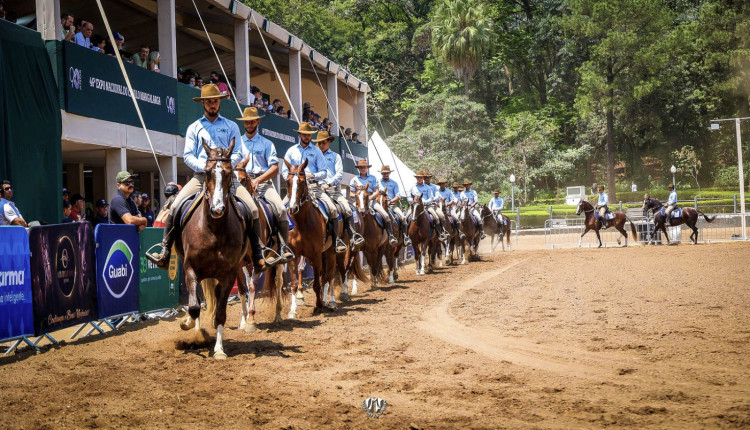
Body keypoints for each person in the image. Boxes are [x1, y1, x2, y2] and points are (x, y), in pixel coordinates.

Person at [146, 84, 267, 272]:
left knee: (252, 208)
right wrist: (205, 167)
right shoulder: (194, 127)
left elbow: (240, 152)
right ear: (203, 103)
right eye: (209, 101)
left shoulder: (231, 126)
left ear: (220, 102)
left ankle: (258, 253)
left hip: (227, 179)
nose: (212, 104)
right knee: (176, 205)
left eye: (215, 101)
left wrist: (225, 166)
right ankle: (165, 250)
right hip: (201, 177)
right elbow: (188, 155)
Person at [236, 106, 293, 263]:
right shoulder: (237, 143)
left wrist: (257, 180)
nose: (248, 124)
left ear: (258, 122)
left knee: (281, 209)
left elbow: (275, 168)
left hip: (263, 184)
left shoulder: (267, 143)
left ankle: (282, 247)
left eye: (252, 121)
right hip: (241, 183)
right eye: (246, 122)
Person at [281, 122, 347, 254]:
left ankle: (335, 241)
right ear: (299, 134)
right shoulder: (291, 151)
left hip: (314, 188)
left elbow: (324, 172)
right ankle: (280, 245)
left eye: (309, 135)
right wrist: (292, 178)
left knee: (333, 209)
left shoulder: (316, 151)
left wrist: (313, 175)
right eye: (304, 134)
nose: (306, 137)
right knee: (281, 210)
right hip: (296, 188)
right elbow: (284, 171)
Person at [314, 130, 365, 250]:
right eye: (319, 143)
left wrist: (328, 183)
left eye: (323, 142)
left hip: (333, 191)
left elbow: (339, 175)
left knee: (347, 210)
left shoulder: (335, 157)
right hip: (316, 190)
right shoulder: (313, 156)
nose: (321, 145)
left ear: (329, 142)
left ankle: (352, 236)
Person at [350, 159, 397, 246]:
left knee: (386, 215)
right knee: (349, 214)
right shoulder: (354, 179)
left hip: (371, 200)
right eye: (361, 167)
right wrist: (359, 196)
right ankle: (352, 237)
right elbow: (351, 193)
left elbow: (377, 191)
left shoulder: (373, 178)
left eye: (364, 167)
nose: (363, 169)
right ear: (358, 168)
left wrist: (369, 198)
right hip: (359, 201)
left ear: (367, 168)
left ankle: (390, 236)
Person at [378, 165, 410, 246]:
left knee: (403, 218)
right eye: (384, 173)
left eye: (387, 173)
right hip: (380, 205)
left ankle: (405, 237)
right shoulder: (378, 183)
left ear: (389, 173)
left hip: (392, 205)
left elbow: (398, 195)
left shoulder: (394, 183)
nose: (386, 174)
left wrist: (390, 201)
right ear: (381, 173)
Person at [409, 172, 444, 237]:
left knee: (436, 217)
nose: (419, 179)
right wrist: (412, 201)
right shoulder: (412, 187)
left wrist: (425, 202)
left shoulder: (428, 187)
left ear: (423, 178)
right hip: (415, 207)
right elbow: (409, 197)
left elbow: (431, 198)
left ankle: (440, 234)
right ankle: (406, 236)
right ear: (416, 178)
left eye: (421, 178)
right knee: (406, 217)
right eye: (418, 178)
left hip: (426, 206)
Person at [423, 172, 449, 240]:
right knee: (409, 216)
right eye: (426, 177)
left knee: (441, 216)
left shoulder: (435, 187)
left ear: (430, 178)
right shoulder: (419, 186)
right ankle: (407, 235)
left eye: (428, 177)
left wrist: (430, 200)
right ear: (424, 178)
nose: (427, 179)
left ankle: (442, 232)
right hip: (421, 206)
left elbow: (437, 196)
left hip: (432, 205)